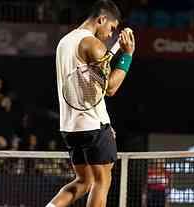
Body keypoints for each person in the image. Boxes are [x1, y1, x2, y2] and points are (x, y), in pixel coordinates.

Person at [46, 0, 135, 207]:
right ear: (101, 19)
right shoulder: (93, 44)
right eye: (111, 28)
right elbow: (111, 88)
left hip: (70, 127)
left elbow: (89, 88)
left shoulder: (64, 42)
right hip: (93, 127)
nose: (110, 34)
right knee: (102, 182)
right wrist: (127, 55)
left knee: (84, 181)